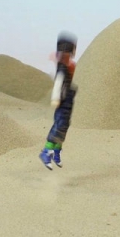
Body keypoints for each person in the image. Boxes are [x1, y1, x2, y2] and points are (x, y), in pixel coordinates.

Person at [39, 32, 78, 170]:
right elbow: (58, 83)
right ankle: (46, 152)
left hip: (68, 100)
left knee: (64, 126)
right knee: (59, 126)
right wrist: (55, 98)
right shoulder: (62, 66)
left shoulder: (68, 65)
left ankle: (56, 152)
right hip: (63, 101)